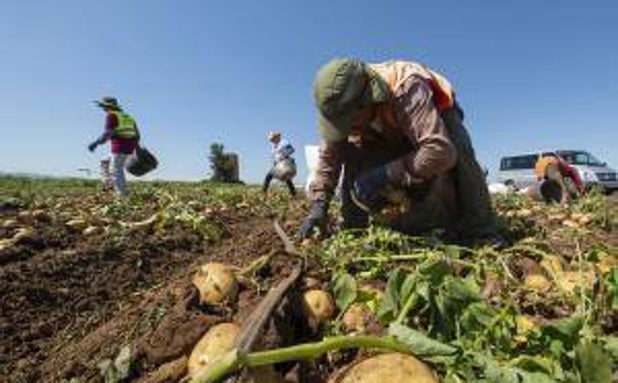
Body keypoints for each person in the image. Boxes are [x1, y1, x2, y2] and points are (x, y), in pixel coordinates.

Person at [297, 58, 498, 245]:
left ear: (367, 101)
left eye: (348, 122)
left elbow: (439, 152)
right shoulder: (336, 106)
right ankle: (354, 228)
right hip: (386, 121)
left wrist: (385, 173)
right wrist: (319, 206)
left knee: (457, 149)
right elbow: (329, 158)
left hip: (433, 112)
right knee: (351, 151)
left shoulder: (406, 86)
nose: (345, 129)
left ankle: (482, 230)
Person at [88, 97, 140, 197]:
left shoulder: (111, 115)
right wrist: (136, 148)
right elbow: (137, 134)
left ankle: (122, 195)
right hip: (130, 145)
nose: (103, 109)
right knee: (105, 162)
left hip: (120, 145)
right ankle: (108, 184)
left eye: (103, 106)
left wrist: (96, 143)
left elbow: (108, 133)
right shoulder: (127, 116)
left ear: (108, 106)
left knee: (116, 170)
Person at [262, 131, 297, 197]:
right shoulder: (274, 145)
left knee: (270, 177)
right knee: (269, 176)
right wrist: (274, 162)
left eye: (272, 139)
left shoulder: (284, 142)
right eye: (270, 140)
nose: (271, 141)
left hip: (285, 163)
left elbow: (292, 150)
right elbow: (275, 155)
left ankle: (294, 194)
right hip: (278, 164)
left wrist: (284, 156)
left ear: (276, 137)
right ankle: (294, 194)